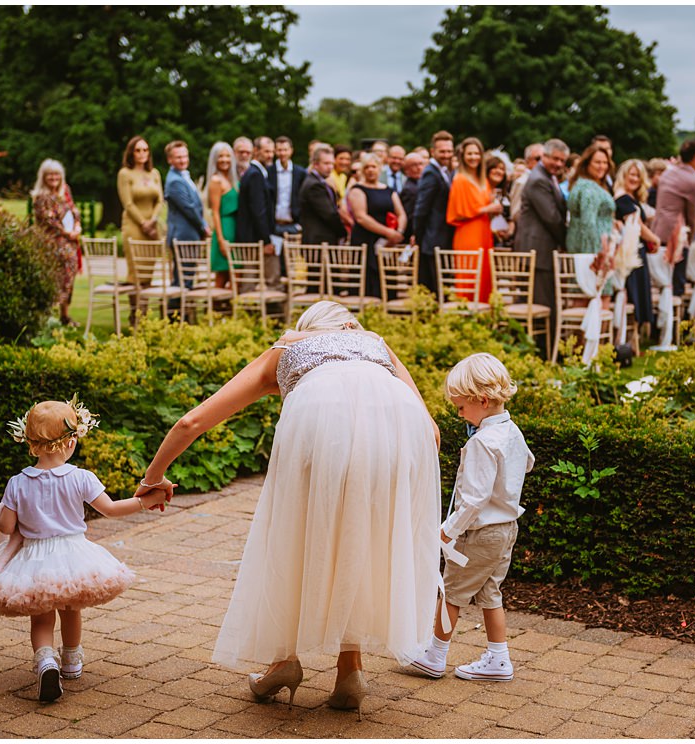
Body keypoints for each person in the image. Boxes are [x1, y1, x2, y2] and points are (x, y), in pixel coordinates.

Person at [134, 300, 441, 717]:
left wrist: (153, 478)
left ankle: (284, 661)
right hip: (399, 431)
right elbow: (431, 429)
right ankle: (350, 671)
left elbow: (192, 422)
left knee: (292, 536)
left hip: (318, 426)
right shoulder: (373, 344)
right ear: (349, 326)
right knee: (359, 540)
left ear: (305, 328)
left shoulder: (288, 347)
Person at [0, 397, 168, 701]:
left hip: (35, 558)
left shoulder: (17, 483)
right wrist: (147, 500)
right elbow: (112, 509)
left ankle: (45, 661)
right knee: (71, 607)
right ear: (70, 442)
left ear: (30, 442)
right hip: (73, 555)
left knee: (41, 616)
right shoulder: (81, 477)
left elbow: (6, 528)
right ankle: (72, 661)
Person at [409, 353, 533, 682]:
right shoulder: (512, 432)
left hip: (479, 534)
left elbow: (474, 500)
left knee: (452, 593)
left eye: (461, 407)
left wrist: (447, 531)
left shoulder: (482, 442)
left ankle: (435, 655)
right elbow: (528, 462)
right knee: (491, 593)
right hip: (506, 529)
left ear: (482, 399)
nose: (460, 413)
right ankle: (498, 658)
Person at [513, 138, 569, 309]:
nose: (558, 164)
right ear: (544, 156)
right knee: (541, 305)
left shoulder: (548, 177)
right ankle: (543, 337)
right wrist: (567, 240)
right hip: (537, 250)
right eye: (555, 158)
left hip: (540, 250)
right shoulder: (539, 180)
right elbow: (551, 217)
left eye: (562, 161)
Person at [447, 137, 500, 302]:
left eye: (476, 153)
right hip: (468, 233)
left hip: (484, 232)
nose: (473, 157)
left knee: (485, 275)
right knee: (469, 274)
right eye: (469, 153)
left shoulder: (483, 179)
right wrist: (487, 209)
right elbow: (458, 212)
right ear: (463, 156)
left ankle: (483, 316)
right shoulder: (460, 180)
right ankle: (466, 314)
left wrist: (495, 207)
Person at [654, 139, 695, 308]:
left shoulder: (668, 174)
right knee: (676, 285)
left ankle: (657, 327)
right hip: (675, 237)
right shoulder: (693, 182)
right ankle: (674, 326)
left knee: (659, 283)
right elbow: (693, 216)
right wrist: (689, 240)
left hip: (657, 231)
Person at [117, 136, 164, 324]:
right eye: (138, 150)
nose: (142, 154)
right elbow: (127, 203)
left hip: (151, 227)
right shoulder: (125, 174)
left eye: (145, 150)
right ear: (131, 153)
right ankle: (134, 315)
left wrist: (152, 220)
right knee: (135, 273)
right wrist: (143, 222)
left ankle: (144, 314)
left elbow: (160, 200)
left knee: (148, 273)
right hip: (134, 227)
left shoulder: (154, 173)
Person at [31, 159, 82, 327]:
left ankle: (65, 315)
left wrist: (77, 226)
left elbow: (74, 210)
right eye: (50, 174)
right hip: (53, 242)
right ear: (43, 176)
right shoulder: (41, 197)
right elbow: (48, 220)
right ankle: (48, 314)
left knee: (69, 277)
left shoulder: (65, 191)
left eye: (57, 174)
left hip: (70, 241)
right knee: (56, 278)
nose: (54, 177)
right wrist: (67, 232)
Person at [348, 153, 407, 298]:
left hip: (387, 243)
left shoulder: (388, 190)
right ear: (362, 170)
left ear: (379, 169)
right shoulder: (357, 189)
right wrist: (388, 232)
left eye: (373, 167)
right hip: (365, 240)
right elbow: (361, 217)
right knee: (368, 281)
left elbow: (402, 214)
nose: (370, 170)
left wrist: (398, 232)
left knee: (386, 278)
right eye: (367, 167)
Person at [612, 159, 661, 330]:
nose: (635, 179)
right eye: (632, 175)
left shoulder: (631, 197)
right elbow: (636, 223)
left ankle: (634, 338)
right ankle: (627, 338)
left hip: (636, 249)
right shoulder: (622, 197)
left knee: (638, 293)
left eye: (638, 176)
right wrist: (655, 239)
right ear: (624, 175)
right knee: (632, 294)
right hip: (629, 251)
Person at [164, 140, 210, 302]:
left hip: (188, 236)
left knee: (185, 280)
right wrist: (203, 226)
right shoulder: (175, 181)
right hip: (184, 236)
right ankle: (175, 318)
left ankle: (181, 318)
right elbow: (189, 209)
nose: (183, 160)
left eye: (185, 156)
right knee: (182, 282)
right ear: (170, 159)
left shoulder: (182, 176)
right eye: (178, 157)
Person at [413, 130, 456, 295]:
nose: (447, 155)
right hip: (433, 238)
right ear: (433, 151)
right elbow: (421, 209)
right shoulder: (430, 172)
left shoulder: (444, 171)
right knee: (435, 289)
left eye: (449, 151)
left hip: (440, 237)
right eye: (442, 151)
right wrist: (418, 237)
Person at [236, 136, 279, 288]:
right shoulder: (254, 174)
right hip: (254, 238)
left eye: (272, 152)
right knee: (251, 280)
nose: (270, 155)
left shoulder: (257, 172)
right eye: (266, 151)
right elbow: (258, 210)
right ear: (256, 151)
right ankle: (248, 310)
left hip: (255, 236)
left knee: (253, 279)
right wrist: (266, 240)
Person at [566, 143, 616, 254]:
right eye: (597, 162)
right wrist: (594, 256)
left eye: (605, 163)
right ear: (587, 164)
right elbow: (588, 224)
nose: (602, 166)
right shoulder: (588, 189)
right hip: (592, 251)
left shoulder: (584, 184)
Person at [206, 141, 239, 289]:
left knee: (234, 275)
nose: (224, 160)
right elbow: (215, 211)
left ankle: (227, 309)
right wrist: (220, 239)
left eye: (227, 156)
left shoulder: (232, 179)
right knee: (222, 275)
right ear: (214, 159)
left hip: (235, 229)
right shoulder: (215, 180)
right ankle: (214, 309)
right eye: (220, 156)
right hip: (224, 229)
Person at [299, 143, 346, 246]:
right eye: (326, 163)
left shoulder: (320, 182)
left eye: (332, 164)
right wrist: (344, 232)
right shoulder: (314, 186)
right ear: (315, 164)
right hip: (318, 242)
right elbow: (330, 215)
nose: (330, 167)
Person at [270, 135, 306, 243]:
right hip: (274, 224)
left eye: (285, 150)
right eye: (279, 150)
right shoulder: (269, 172)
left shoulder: (300, 172)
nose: (282, 153)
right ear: (275, 151)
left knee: (292, 258)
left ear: (291, 151)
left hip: (294, 224)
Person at [485, 149, 513, 247]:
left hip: (504, 243)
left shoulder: (506, 195)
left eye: (501, 169)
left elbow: (510, 218)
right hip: (485, 237)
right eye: (495, 168)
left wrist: (509, 231)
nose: (498, 171)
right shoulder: (481, 192)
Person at [399, 151, 426, 243]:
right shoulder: (409, 189)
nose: (419, 168)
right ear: (406, 170)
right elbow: (410, 216)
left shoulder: (421, 184)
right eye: (414, 165)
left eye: (421, 164)